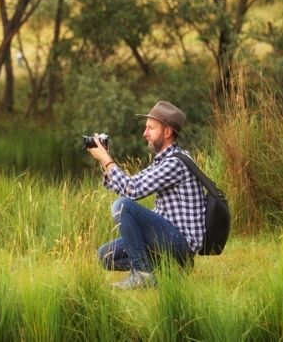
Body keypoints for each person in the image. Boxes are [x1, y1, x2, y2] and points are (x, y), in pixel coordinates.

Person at [86, 101, 206, 289]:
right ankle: (170, 271)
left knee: (122, 206)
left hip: (180, 243)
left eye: (151, 128)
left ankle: (142, 275)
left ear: (167, 132)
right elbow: (126, 186)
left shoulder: (175, 163)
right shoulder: (164, 160)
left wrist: (106, 159)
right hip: (167, 237)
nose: (145, 133)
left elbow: (132, 191)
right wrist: (104, 160)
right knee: (105, 256)